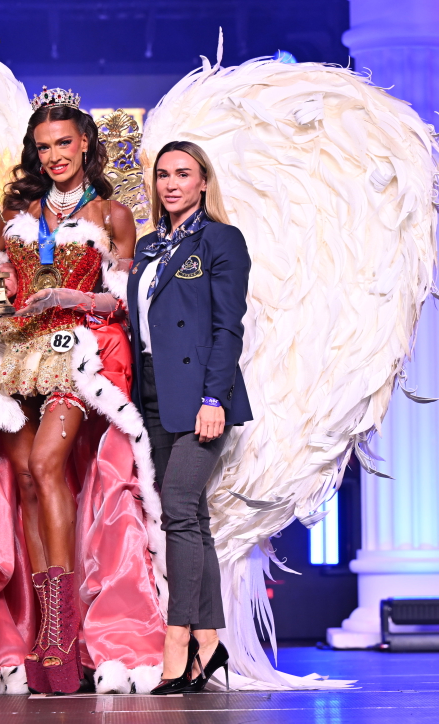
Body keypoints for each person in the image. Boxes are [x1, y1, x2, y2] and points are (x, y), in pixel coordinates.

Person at [0, 89, 168, 695]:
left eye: (64, 143)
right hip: (16, 352)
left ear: (85, 143)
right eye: (44, 147)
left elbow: (124, 301)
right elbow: (5, 292)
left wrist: (76, 297)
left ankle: (62, 630)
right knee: (24, 478)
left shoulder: (113, 214)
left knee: (49, 463)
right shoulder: (15, 213)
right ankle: (42, 624)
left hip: (78, 352)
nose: (54, 156)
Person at [127, 141, 252, 694]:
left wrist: (214, 399)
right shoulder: (150, 244)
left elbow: (228, 327)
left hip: (201, 393)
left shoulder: (221, 239)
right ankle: (209, 639)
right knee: (190, 516)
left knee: (178, 508)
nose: (171, 184)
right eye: (163, 175)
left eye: (183, 174)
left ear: (203, 181)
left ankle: (177, 638)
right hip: (153, 391)